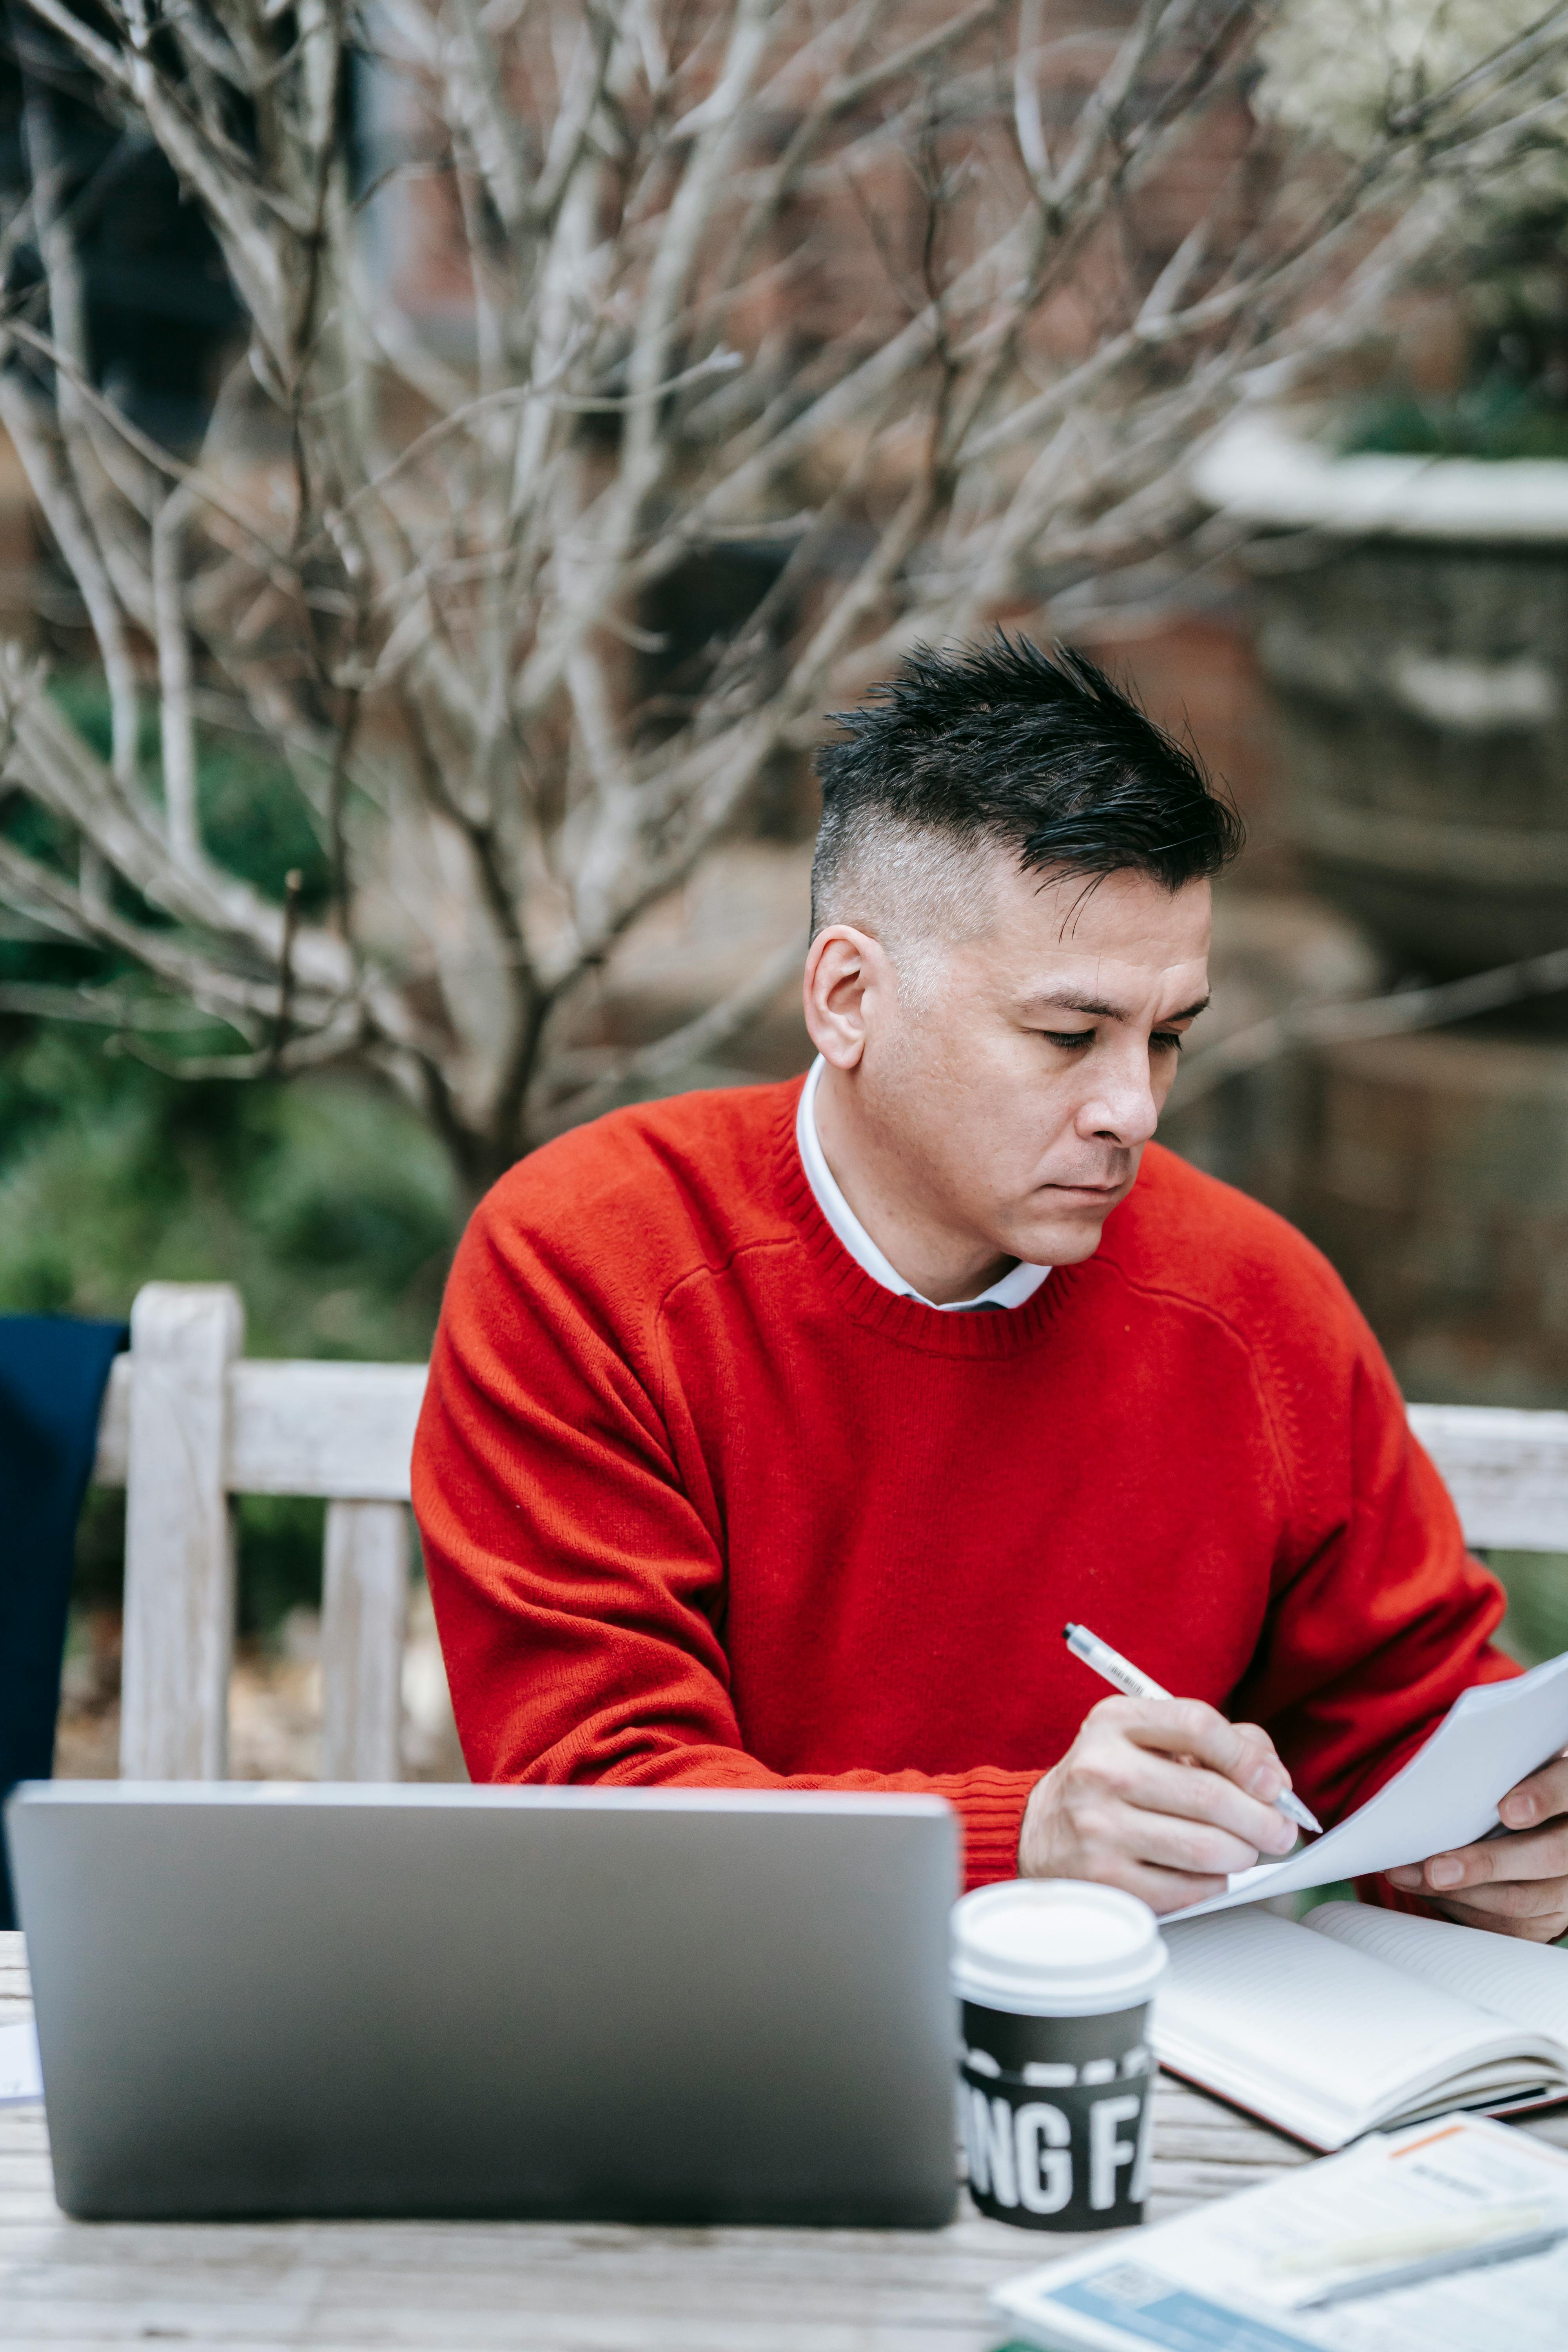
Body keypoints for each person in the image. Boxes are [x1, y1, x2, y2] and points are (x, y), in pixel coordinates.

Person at [412, 637, 1568, 1941]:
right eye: (1069, 1036)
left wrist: (1502, 1852)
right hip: (723, 2037)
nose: (1130, 1107)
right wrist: (1023, 1837)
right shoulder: (591, 1261)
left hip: (1178, 2062)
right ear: (848, 997)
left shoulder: (1254, 1300)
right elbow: (598, 1806)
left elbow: (1416, 1727)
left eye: (1168, 1035)